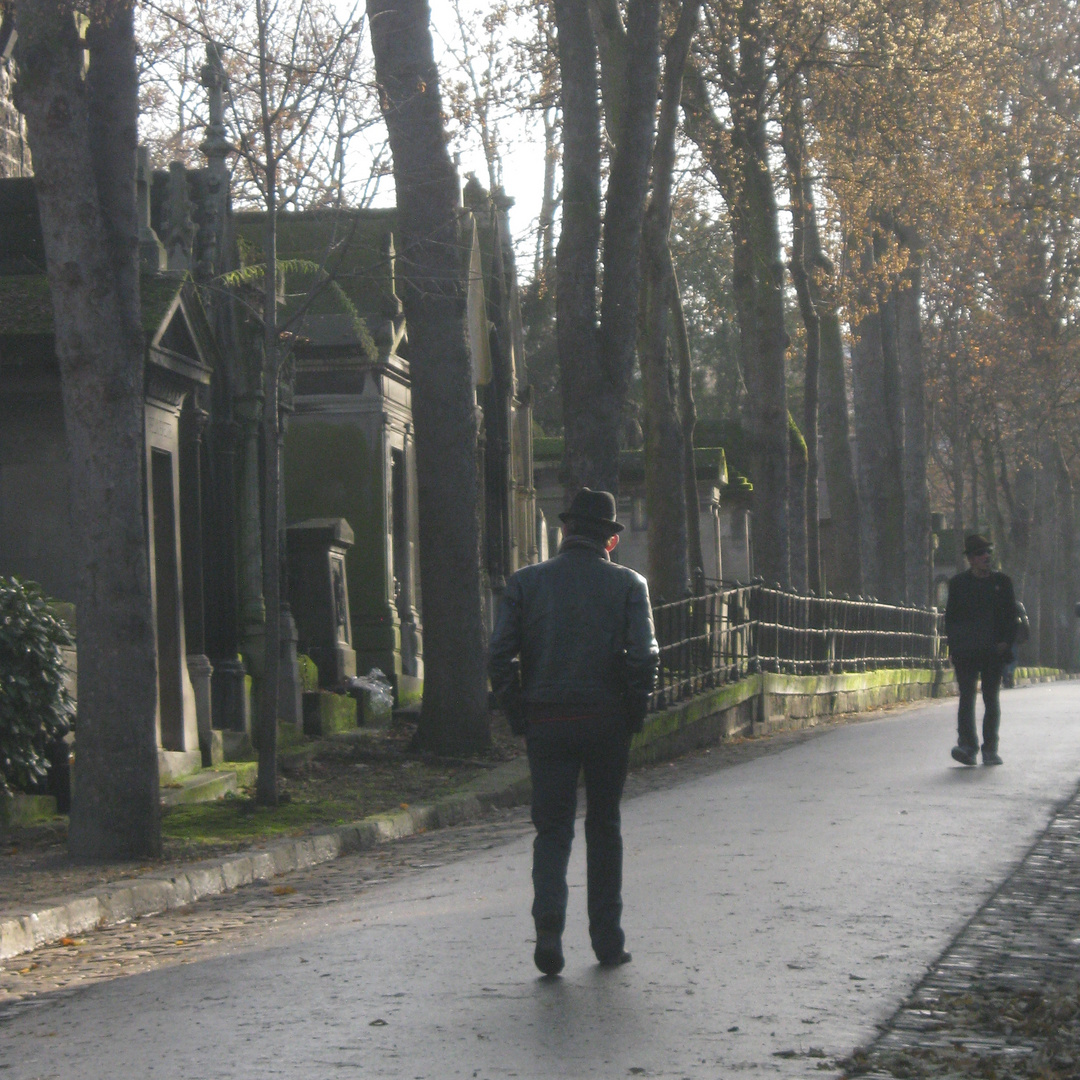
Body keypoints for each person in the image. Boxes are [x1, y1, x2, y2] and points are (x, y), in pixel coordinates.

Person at [489, 488, 659, 976]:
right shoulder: (630, 585)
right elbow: (644, 656)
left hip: (547, 719)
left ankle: (548, 928)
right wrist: (634, 711)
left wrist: (518, 712)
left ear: (564, 532)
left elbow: (500, 655)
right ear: (609, 540)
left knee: (552, 830)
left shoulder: (526, 583)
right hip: (606, 720)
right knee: (604, 827)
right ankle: (607, 940)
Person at [944, 534, 1017, 766]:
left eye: (988, 551)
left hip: (993, 651)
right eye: (980, 553)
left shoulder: (1002, 583)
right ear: (971, 559)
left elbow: (1011, 617)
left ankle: (990, 749)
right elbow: (951, 619)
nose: (986, 556)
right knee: (966, 698)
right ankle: (967, 745)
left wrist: (1006, 641)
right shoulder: (957, 584)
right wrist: (954, 647)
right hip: (966, 651)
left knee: (991, 698)